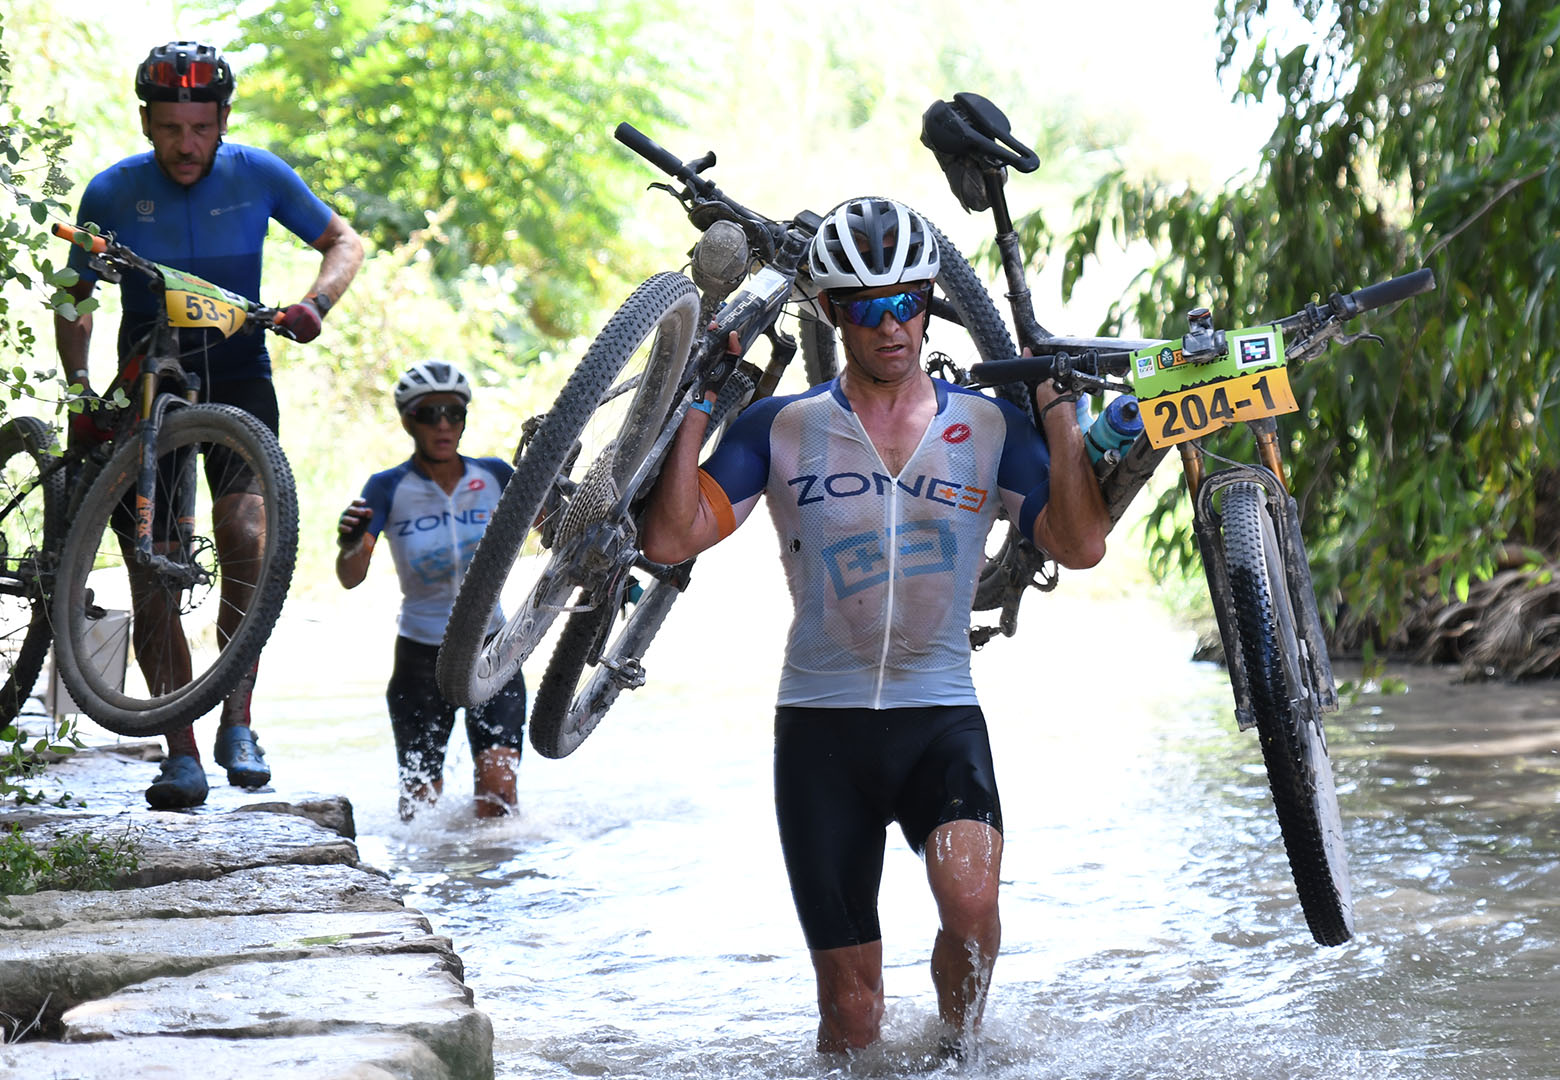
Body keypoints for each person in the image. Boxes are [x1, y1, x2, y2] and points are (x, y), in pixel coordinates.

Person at [640, 197, 1110, 1054]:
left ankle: (959, 1051)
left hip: (939, 714)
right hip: (821, 731)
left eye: (908, 302)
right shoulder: (781, 427)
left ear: (929, 303)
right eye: (867, 308)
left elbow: (1079, 544)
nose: (892, 326)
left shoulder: (991, 424)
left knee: (971, 907)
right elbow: (672, 535)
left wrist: (1059, 419)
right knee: (850, 1018)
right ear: (832, 313)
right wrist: (695, 408)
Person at [53, 40, 365, 810]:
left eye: (200, 128)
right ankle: (179, 749)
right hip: (144, 374)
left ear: (223, 119)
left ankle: (239, 718)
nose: (185, 146)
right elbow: (73, 295)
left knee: (248, 536)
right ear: (147, 123)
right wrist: (81, 388)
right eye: (169, 129)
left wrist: (315, 304)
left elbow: (343, 241)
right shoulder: (112, 191)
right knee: (152, 562)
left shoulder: (257, 173)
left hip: (237, 372)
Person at [335, 362, 526, 821]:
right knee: (419, 807)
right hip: (422, 656)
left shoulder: (497, 474)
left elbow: (558, 532)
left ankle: (493, 887)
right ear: (408, 422)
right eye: (429, 414)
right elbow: (349, 575)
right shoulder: (386, 487)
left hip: (492, 648)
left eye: (454, 413)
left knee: (499, 797)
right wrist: (348, 543)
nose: (443, 424)